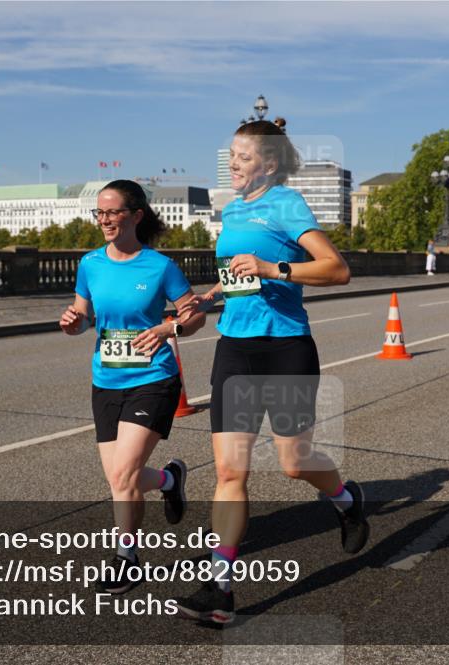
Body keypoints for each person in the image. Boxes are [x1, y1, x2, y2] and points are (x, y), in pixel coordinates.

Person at [172, 117, 368, 624]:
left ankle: (346, 499)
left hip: (284, 348)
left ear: (270, 162)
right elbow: (237, 274)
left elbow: (337, 269)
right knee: (229, 471)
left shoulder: (287, 204)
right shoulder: (234, 208)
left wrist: (272, 268)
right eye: (231, 156)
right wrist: (210, 296)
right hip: (235, 349)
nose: (233, 164)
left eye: (243, 157)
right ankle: (220, 587)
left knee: (294, 463)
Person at [60, 179, 206, 592]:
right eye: (99, 213)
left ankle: (126, 558)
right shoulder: (90, 264)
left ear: (136, 215)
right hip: (106, 380)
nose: (104, 220)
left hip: (153, 378)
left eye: (113, 212)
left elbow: (194, 315)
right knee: (120, 478)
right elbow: (84, 317)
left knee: (123, 475)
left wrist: (168, 328)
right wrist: (73, 323)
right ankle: (170, 480)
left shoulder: (159, 266)